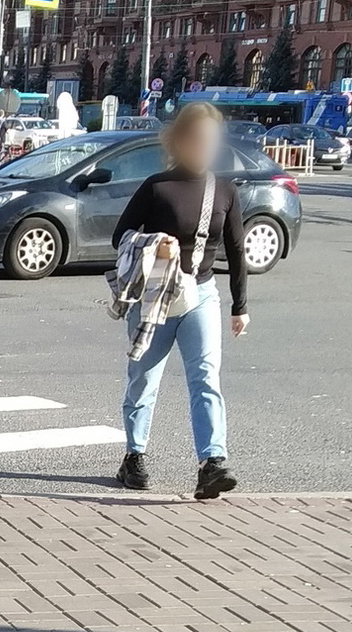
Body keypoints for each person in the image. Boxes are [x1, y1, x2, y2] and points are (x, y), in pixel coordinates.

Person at [111, 101, 248, 500]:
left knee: (205, 377)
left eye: (211, 140)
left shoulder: (224, 190)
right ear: (180, 140)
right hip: (156, 296)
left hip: (201, 294)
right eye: (198, 138)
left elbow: (237, 251)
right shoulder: (157, 186)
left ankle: (212, 463)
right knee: (143, 379)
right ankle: (134, 456)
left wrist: (240, 307)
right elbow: (121, 236)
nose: (205, 146)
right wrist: (155, 244)